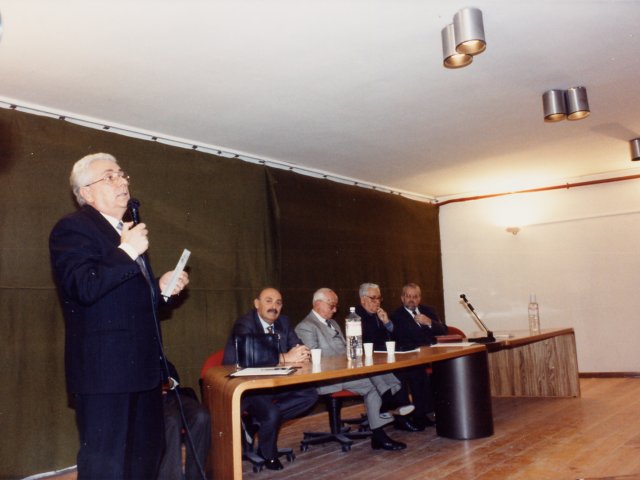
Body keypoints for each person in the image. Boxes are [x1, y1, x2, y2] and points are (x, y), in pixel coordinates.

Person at [49, 152, 189, 479]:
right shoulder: (73, 228)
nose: (122, 181)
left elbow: (125, 302)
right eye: (109, 177)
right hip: (105, 376)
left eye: (122, 174)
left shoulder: (126, 233)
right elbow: (83, 286)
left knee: (145, 460)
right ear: (86, 193)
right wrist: (127, 251)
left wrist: (159, 288)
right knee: (106, 466)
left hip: (143, 373)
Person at [295, 288, 419, 450]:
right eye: (332, 305)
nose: (335, 309)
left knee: (376, 372)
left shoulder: (332, 323)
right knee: (373, 380)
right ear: (318, 304)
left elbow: (346, 348)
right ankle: (390, 404)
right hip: (326, 378)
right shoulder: (306, 327)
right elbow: (315, 359)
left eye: (336, 306)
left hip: (346, 373)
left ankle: (379, 434)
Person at [222, 287, 318, 470]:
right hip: (247, 386)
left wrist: (302, 353)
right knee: (271, 413)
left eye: (278, 302)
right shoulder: (244, 324)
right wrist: (284, 358)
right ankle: (267, 452)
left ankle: (258, 423)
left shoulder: (284, 322)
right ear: (256, 304)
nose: (274, 306)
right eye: (268, 301)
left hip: (275, 383)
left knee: (310, 395)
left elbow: (297, 346)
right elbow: (249, 357)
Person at [390, 282, 448, 428]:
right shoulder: (396, 316)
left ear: (419, 298)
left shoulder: (428, 311)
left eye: (415, 296)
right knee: (417, 373)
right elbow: (401, 339)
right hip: (412, 357)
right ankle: (419, 415)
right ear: (402, 298)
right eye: (408, 296)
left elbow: (444, 331)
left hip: (433, 356)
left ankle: (434, 411)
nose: (411, 300)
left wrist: (429, 322)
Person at [158, 361, 211, 480]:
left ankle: (195, 476)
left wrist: (170, 383)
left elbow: (173, 376)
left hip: (171, 396)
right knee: (172, 420)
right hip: (150, 401)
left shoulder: (155, 348)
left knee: (201, 416)